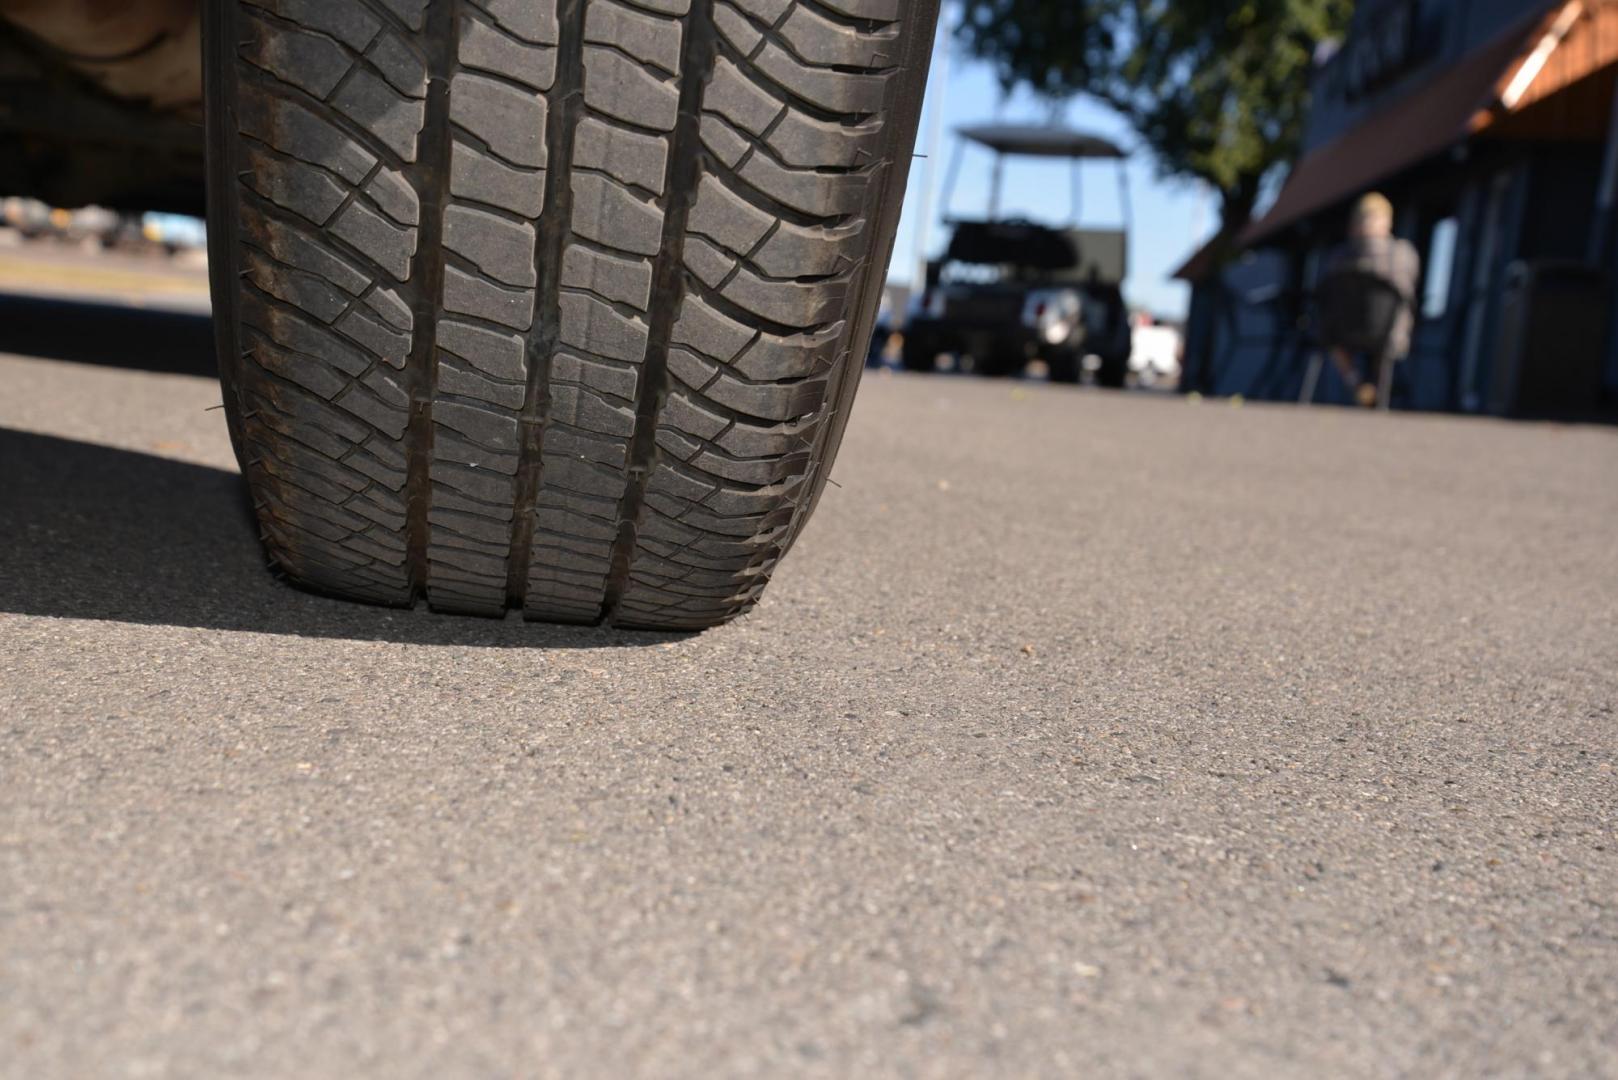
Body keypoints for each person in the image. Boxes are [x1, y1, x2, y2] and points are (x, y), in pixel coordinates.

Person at [1324, 192, 1420, 407]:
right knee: (1387, 334)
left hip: (1343, 331)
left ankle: (1358, 383)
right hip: (1390, 330)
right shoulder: (1404, 253)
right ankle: (1378, 386)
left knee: (1332, 337)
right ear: (1388, 222)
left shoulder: (1340, 255)